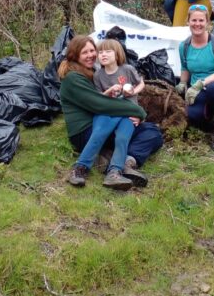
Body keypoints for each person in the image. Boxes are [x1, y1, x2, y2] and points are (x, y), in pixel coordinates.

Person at [59, 36, 163, 189]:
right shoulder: (73, 78)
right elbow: (100, 105)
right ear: (75, 55)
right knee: (113, 116)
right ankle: (80, 168)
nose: (91, 55)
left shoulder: (92, 72)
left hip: (106, 120)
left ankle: (124, 163)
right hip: (85, 131)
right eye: (84, 52)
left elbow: (135, 85)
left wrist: (134, 115)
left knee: (153, 133)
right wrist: (138, 112)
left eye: (92, 51)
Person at [176, 5, 214, 150]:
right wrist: (183, 84)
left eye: (201, 20)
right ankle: (211, 122)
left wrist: (201, 84)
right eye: (194, 20)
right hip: (198, 90)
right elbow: (185, 68)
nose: (197, 24)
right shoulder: (184, 46)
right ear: (188, 22)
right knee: (192, 116)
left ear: (208, 22)